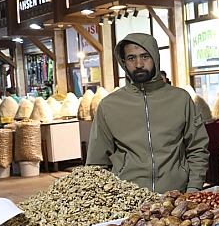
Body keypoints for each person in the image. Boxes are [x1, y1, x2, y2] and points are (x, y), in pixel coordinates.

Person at [87, 33, 210, 194]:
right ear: (123, 62)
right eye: (131, 58)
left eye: (145, 56)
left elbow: (198, 147)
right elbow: (96, 163)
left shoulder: (180, 99)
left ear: (155, 58)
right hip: (129, 199)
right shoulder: (109, 106)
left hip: (175, 195)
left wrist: (193, 188)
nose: (138, 64)